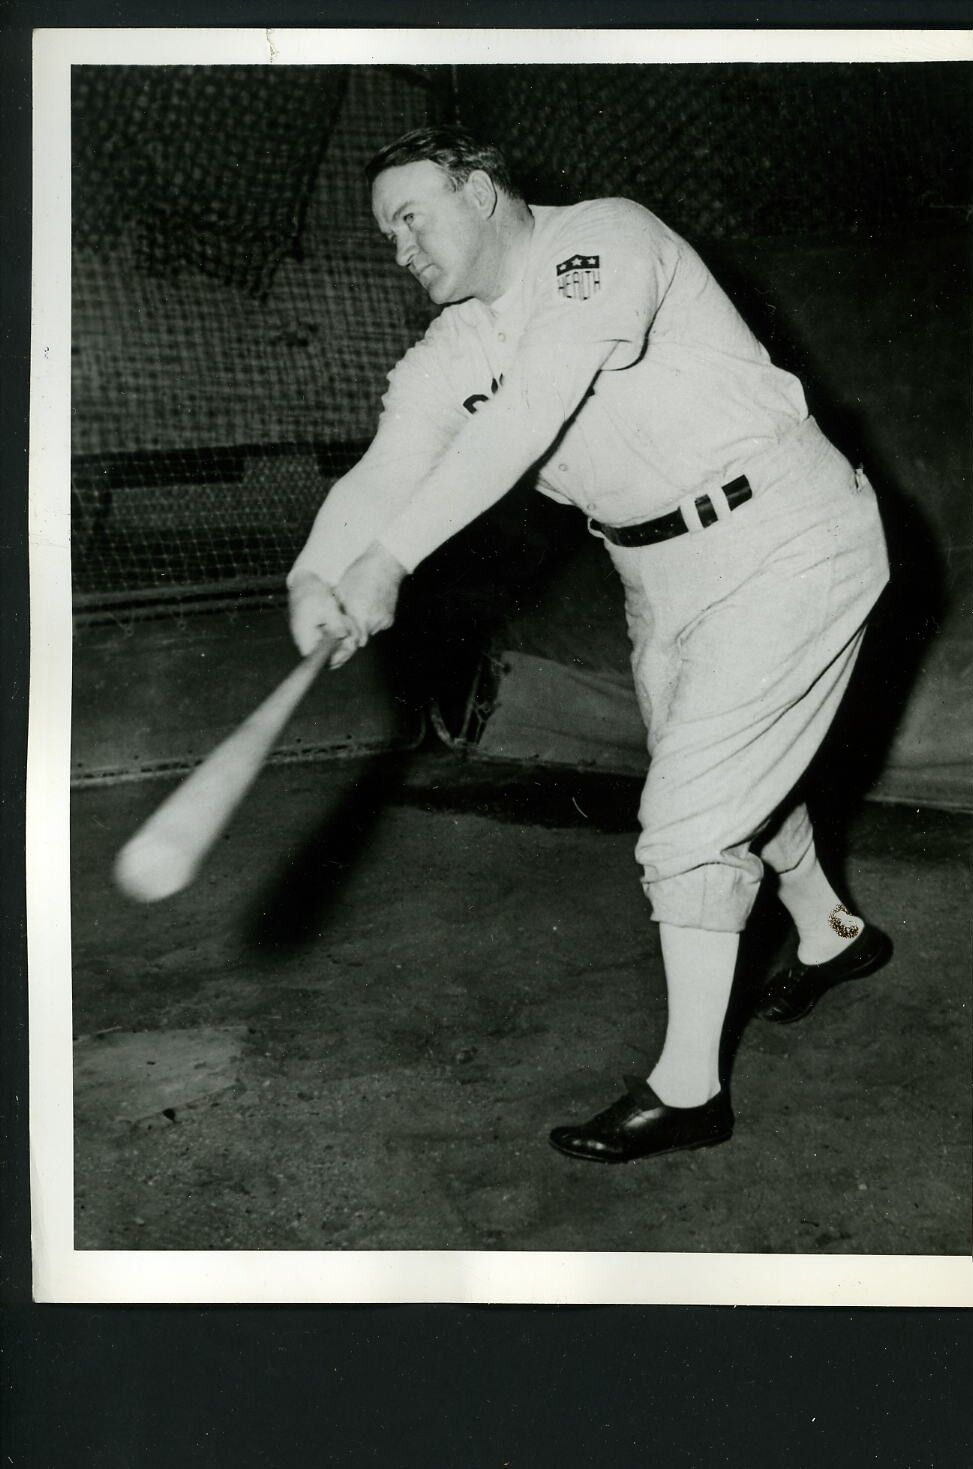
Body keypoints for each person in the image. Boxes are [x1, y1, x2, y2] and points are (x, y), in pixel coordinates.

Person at [287, 125, 892, 1163]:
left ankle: (689, 1090)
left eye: (410, 217)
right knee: (732, 764)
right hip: (658, 571)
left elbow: (528, 414)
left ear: (476, 192)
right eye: (387, 232)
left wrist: (388, 562)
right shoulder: (453, 345)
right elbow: (385, 470)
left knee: (690, 818)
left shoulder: (602, 241)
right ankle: (832, 931)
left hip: (786, 531)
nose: (399, 248)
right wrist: (315, 569)